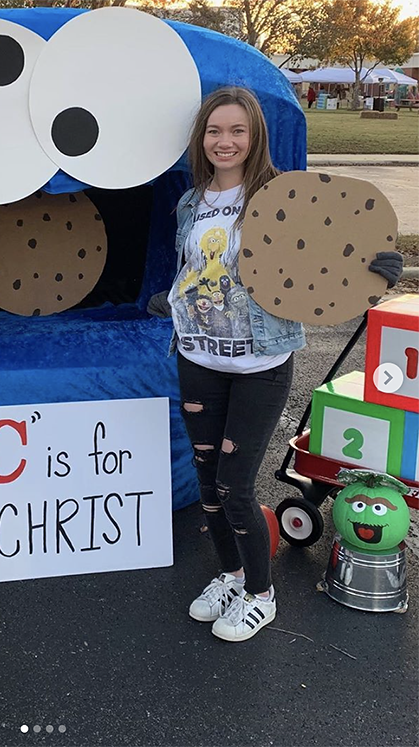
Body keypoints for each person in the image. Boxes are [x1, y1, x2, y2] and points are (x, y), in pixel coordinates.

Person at [149, 86, 402, 642]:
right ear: (202, 138)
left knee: (237, 484)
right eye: (215, 130)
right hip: (197, 357)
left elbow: (329, 255)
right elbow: (192, 270)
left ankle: (261, 594)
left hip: (261, 363)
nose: (225, 141)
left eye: (237, 131)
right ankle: (231, 574)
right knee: (208, 483)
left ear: (254, 137)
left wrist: (374, 269)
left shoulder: (280, 197)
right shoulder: (192, 202)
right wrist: (171, 301)